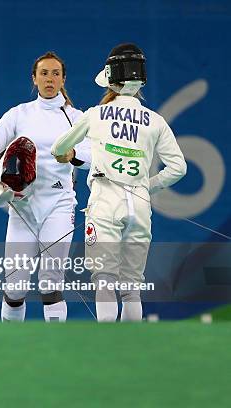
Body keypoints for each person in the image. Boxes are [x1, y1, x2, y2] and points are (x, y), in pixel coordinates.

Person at [51, 43, 187, 322]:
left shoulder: (95, 114)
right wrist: (147, 186)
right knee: (132, 288)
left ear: (111, 78)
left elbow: (58, 147)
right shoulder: (156, 121)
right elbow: (178, 168)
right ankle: (130, 352)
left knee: (104, 280)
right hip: (140, 205)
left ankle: (109, 347)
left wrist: (64, 155)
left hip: (105, 201)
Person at [0, 51, 91, 322]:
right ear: (34, 79)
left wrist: (74, 156)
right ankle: (15, 353)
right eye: (44, 73)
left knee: (51, 282)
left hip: (60, 205)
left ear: (63, 80)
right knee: (14, 288)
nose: (50, 79)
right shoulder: (18, 114)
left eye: (55, 74)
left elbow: (95, 157)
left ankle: (54, 354)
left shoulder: (77, 118)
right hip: (23, 207)